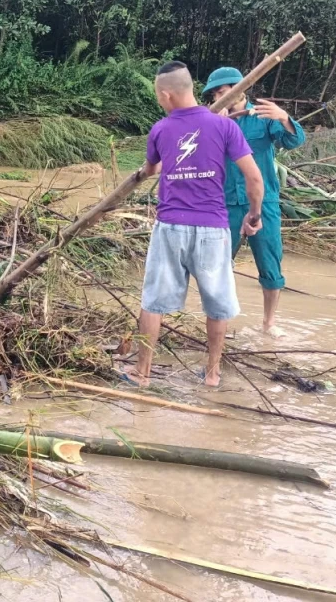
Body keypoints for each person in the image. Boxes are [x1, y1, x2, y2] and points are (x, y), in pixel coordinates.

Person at [119, 61, 264, 387]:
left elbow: (150, 170)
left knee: (153, 301)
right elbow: (255, 179)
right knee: (217, 302)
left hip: (171, 226)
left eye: (159, 96)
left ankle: (142, 373)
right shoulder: (225, 127)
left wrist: (139, 174)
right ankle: (212, 374)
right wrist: (253, 216)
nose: (159, 101)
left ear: (167, 95)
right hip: (214, 229)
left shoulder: (161, 129)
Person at [202, 67, 306, 336]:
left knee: (270, 264)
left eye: (223, 92)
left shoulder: (262, 117)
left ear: (240, 89)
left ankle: (269, 323)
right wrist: (217, 126)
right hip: (224, 203)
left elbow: (294, 141)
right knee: (218, 265)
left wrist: (284, 118)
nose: (219, 97)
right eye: (215, 94)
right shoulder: (212, 120)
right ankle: (219, 321)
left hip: (264, 202)